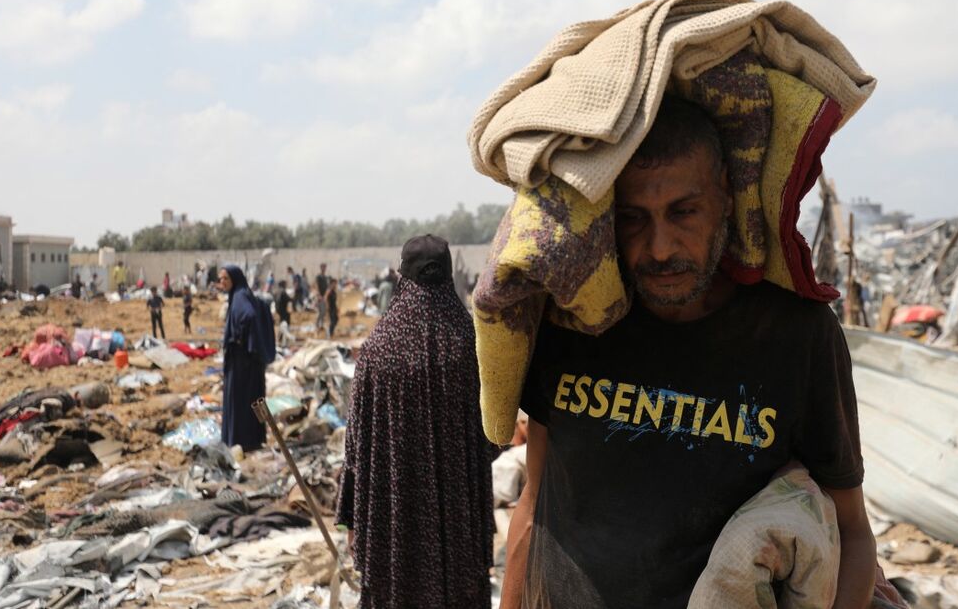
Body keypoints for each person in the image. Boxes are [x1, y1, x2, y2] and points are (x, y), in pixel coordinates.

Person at [503, 96, 875, 608]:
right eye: (635, 218)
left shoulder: (794, 336)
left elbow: (852, 532)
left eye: (683, 212)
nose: (659, 248)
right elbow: (533, 500)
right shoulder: (573, 320)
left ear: (725, 195)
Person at [336, 235, 495, 608]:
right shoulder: (472, 345)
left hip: (394, 532)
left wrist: (351, 518)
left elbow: (356, 448)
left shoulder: (377, 350)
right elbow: (491, 440)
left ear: (402, 278)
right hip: (459, 535)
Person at [218, 265, 276, 451]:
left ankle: (239, 440)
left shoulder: (240, 296)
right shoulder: (239, 294)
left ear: (234, 279)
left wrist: (241, 339)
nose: (222, 282)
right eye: (221, 279)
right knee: (249, 400)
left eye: (225, 278)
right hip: (247, 363)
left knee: (239, 400)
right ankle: (251, 439)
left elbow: (248, 316)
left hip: (241, 363)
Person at [315, 263, 331, 332]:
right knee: (320, 312)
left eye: (325, 267)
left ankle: (321, 325)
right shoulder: (318, 277)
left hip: (324, 297)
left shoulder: (325, 277)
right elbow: (317, 286)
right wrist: (319, 295)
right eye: (323, 267)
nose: (324, 268)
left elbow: (327, 287)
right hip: (320, 297)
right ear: (321, 268)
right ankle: (317, 324)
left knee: (324, 312)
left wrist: (325, 296)